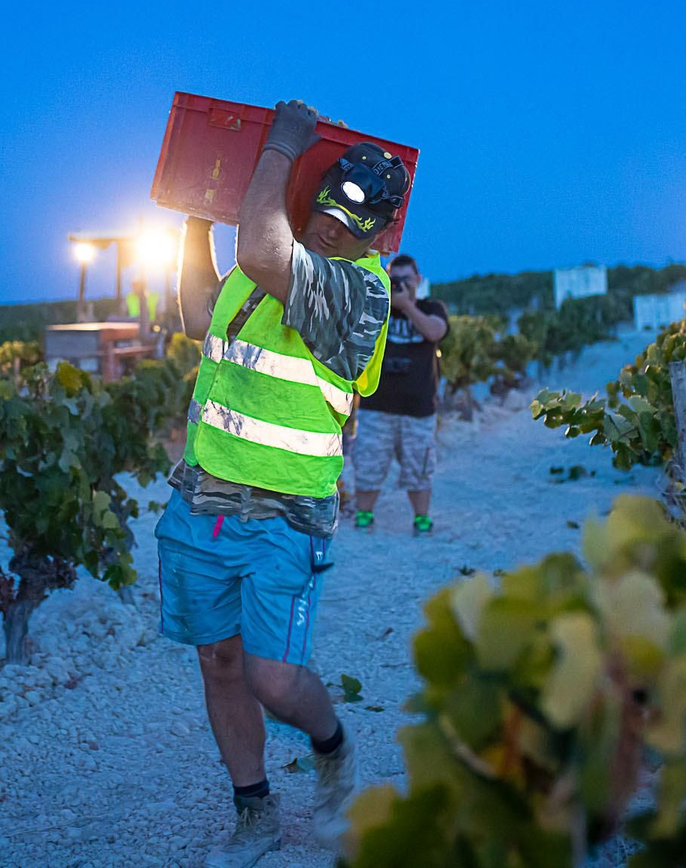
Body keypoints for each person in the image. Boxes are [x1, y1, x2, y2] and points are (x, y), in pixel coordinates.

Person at [157, 99, 410, 867]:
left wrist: (283, 142)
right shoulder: (262, 260)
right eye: (327, 207)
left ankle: (332, 746)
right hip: (204, 504)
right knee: (220, 663)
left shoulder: (359, 291)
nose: (334, 227)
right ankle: (254, 812)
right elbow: (202, 310)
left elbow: (267, 254)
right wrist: (197, 218)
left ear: (378, 233)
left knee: (272, 678)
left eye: (354, 222)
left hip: (283, 518)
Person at [348, 254, 448, 535]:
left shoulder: (432, 307)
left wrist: (408, 306)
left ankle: (421, 519)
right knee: (368, 463)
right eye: (395, 280)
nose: (400, 285)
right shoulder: (377, 309)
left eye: (406, 279)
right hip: (376, 406)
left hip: (418, 409)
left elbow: (435, 332)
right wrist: (388, 302)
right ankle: (364, 515)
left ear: (418, 280)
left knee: (419, 468)